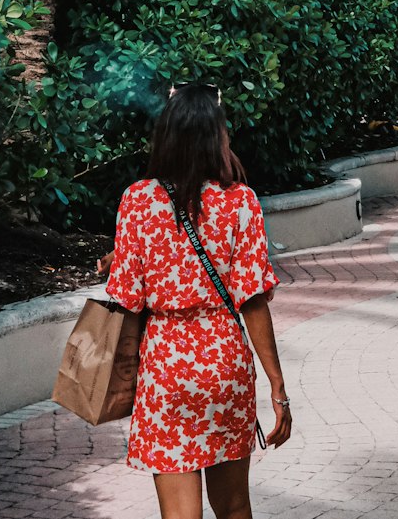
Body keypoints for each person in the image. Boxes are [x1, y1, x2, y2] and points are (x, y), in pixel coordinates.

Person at [101, 83, 291, 519]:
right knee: (234, 506)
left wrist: (118, 263)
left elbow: (126, 295)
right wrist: (277, 385)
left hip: (166, 368)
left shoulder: (138, 200)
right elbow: (253, 299)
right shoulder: (239, 201)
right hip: (225, 365)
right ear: (215, 137)